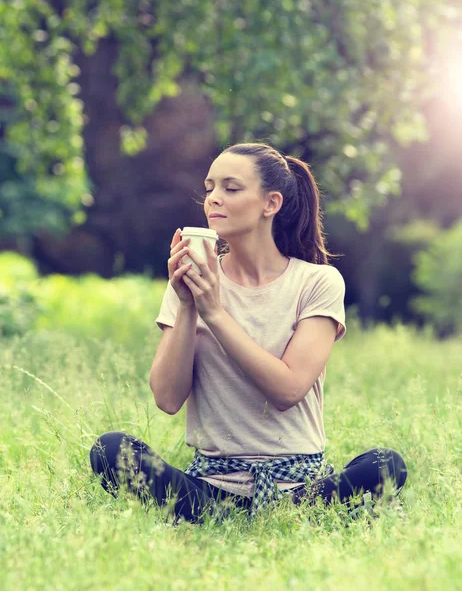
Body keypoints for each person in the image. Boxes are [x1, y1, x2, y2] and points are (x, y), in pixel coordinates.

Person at [90, 142, 408, 525]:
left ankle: (288, 515)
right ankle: (226, 516)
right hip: (211, 486)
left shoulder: (317, 282)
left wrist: (214, 311)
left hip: (299, 487)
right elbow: (168, 398)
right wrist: (189, 304)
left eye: (231, 188)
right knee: (110, 450)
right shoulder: (190, 285)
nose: (213, 199)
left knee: (385, 465)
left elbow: (288, 390)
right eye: (209, 188)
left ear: (270, 204)